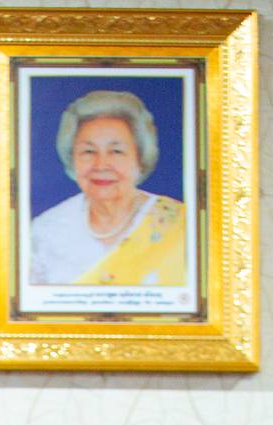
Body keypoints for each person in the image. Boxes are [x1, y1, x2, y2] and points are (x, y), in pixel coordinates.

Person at [28, 89, 186, 289]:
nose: (101, 165)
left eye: (116, 151)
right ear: (72, 159)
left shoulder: (181, 225)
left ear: (140, 159)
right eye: (88, 151)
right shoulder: (45, 232)